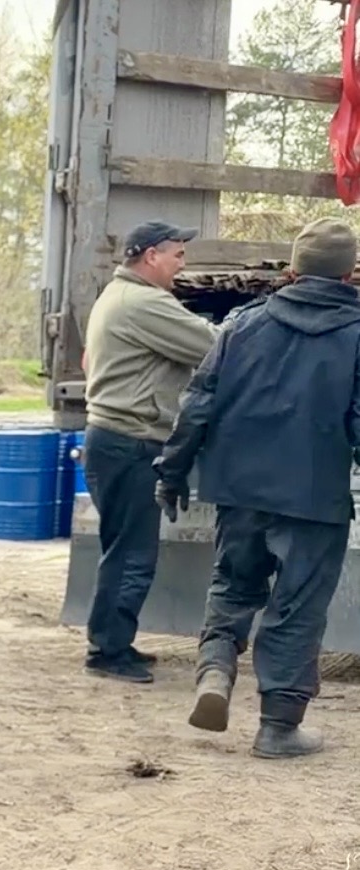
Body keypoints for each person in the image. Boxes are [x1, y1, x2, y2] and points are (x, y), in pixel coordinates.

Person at [156, 217, 360, 759]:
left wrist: (171, 472)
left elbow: (196, 404)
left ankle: (216, 672)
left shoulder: (242, 326)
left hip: (238, 489)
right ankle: (278, 727)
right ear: (351, 274)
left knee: (232, 584)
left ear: (291, 272)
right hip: (314, 499)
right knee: (296, 606)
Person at [80, 219, 217, 683]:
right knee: (132, 553)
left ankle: (114, 640)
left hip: (112, 439)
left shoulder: (116, 297)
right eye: (177, 254)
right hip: (131, 443)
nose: (183, 264)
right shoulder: (144, 303)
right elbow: (212, 346)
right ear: (151, 256)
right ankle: (108, 652)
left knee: (121, 547)